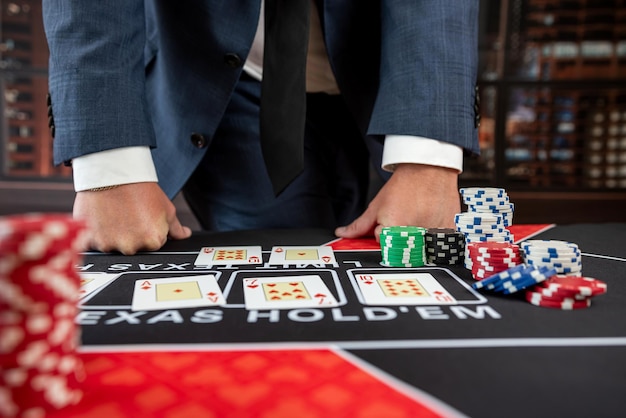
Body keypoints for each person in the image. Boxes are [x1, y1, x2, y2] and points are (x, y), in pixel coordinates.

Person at [42, 0, 480, 255]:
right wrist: (110, 163)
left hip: (391, 79)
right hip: (231, 76)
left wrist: (427, 157)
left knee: (376, 267)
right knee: (287, 270)